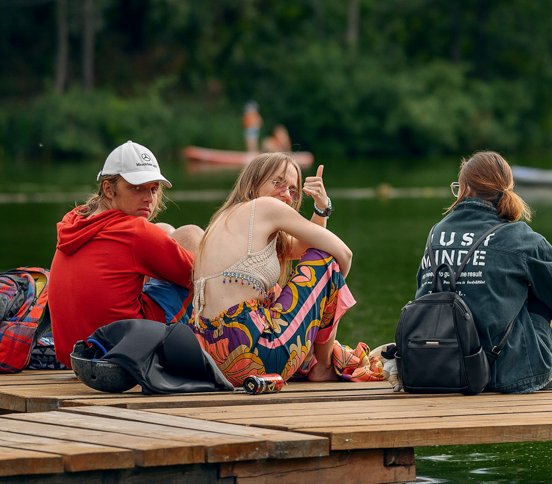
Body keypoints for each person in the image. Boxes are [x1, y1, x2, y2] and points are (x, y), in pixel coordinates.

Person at [187, 153, 381, 385]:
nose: (286, 194)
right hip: (253, 357)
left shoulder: (226, 219)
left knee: (281, 288)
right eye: (277, 182)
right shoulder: (265, 207)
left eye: (293, 190)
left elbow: (303, 246)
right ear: (253, 182)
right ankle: (325, 366)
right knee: (328, 262)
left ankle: (319, 360)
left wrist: (320, 209)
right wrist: (328, 294)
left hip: (206, 359)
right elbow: (342, 254)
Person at [416, 150, 552, 393]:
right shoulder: (519, 238)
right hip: (501, 374)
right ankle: (539, 374)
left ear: (465, 189)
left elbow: (424, 297)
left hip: (437, 364)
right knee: (541, 290)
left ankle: (406, 357)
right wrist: (549, 308)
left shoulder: (435, 234)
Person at [48, 141, 205, 368]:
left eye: (153, 189)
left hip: (74, 358)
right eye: (136, 187)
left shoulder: (74, 222)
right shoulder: (134, 232)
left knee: (164, 231)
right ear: (109, 189)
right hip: (122, 358)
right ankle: (220, 346)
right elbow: (201, 275)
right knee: (190, 235)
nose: (149, 198)